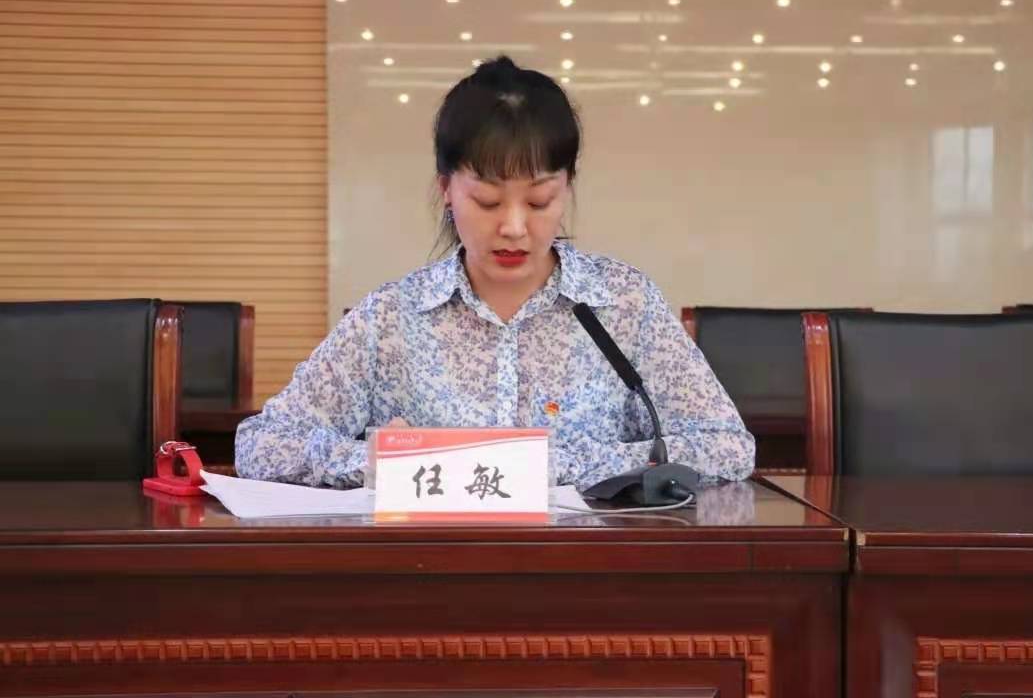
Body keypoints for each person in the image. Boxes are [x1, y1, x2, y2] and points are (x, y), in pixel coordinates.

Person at [235, 56, 755, 491]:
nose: (513, 227)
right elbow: (262, 446)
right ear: (446, 189)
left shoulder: (623, 303)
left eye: (539, 200)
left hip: (588, 570)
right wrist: (379, 462)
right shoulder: (391, 318)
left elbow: (726, 447)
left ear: (567, 188)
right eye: (486, 200)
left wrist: (552, 465)